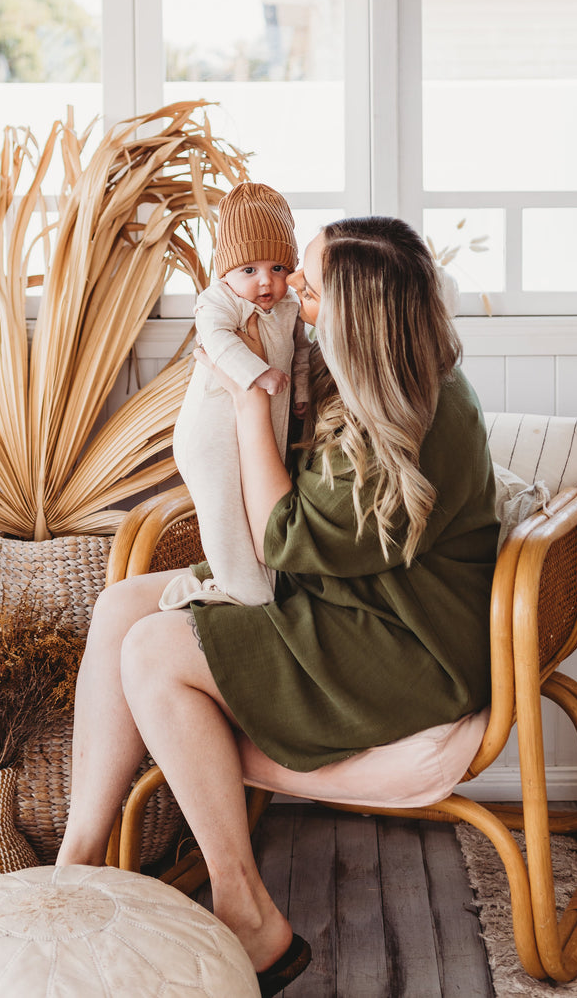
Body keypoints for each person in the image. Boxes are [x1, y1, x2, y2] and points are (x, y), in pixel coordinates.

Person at [57, 216, 499, 996]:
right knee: (123, 605)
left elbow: (277, 533)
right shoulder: (391, 373)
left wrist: (243, 399)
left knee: (151, 653)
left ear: (359, 319)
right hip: (352, 600)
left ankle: (247, 910)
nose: (294, 293)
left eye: (313, 286)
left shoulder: (405, 425)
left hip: (402, 646)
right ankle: (79, 859)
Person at [161, 181, 311, 610]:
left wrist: (299, 391)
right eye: (249, 270)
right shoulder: (217, 302)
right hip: (211, 431)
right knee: (223, 510)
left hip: (262, 425)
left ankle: (258, 586)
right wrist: (259, 373)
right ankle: (239, 590)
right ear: (225, 272)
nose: (266, 282)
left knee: (257, 512)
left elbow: (301, 351)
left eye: (278, 268)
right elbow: (218, 343)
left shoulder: (289, 308)